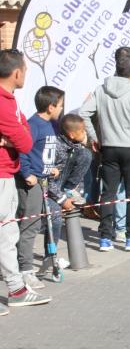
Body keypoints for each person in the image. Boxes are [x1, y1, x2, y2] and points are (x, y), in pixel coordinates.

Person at [80, 47, 130, 251]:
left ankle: (105, 238)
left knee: (108, 193)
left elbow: (83, 112)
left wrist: (95, 138)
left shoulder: (100, 89)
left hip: (109, 147)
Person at [0, 49, 51, 313]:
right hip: (1, 174)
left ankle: (16, 288)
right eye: (25, 71)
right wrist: (13, 139)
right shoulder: (3, 101)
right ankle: (16, 287)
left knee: (7, 232)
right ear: (17, 72)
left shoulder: (10, 99)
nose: (26, 75)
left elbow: (23, 135)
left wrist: (13, 138)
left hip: (7, 171)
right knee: (4, 232)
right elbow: (24, 140)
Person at [16, 86, 66, 290]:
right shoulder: (33, 125)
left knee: (48, 220)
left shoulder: (51, 126)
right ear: (50, 106)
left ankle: (47, 259)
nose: (62, 109)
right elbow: (23, 150)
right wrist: (27, 173)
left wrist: (51, 168)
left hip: (44, 180)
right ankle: (25, 270)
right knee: (30, 226)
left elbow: (43, 152)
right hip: (32, 183)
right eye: (60, 106)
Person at [38, 114, 91, 276]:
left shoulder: (74, 145)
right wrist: (62, 200)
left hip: (61, 184)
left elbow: (78, 167)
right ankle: (50, 256)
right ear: (72, 134)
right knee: (54, 218)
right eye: (83, 131)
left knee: (86, 154)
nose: (85, 133)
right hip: (48, 187)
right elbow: (47, 180)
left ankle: (68, 190)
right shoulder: (57, 148)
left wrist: (68, 192)